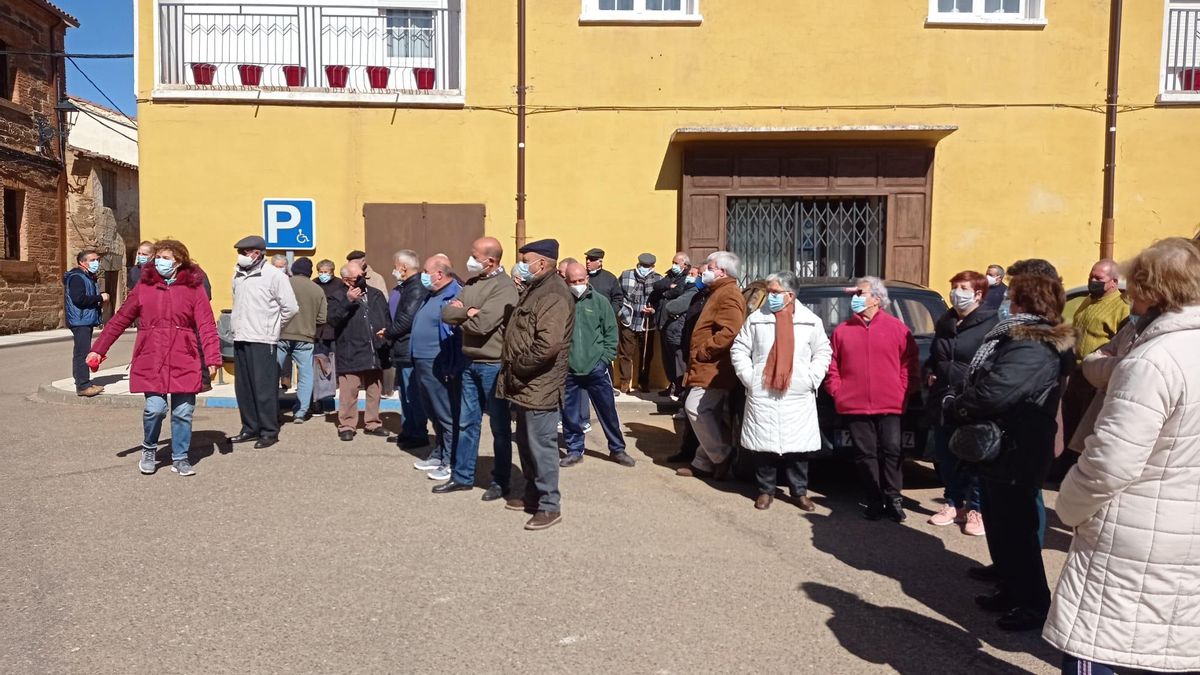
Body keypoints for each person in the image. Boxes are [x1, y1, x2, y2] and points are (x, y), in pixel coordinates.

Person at [1044, 238, 1200, 673]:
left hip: (1132, 533)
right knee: (1171, 649)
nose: (1130, 294)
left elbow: (1110, 464)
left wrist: (1069, 506)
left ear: (1153, 290)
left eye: (1135, 285)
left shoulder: (1151, 360)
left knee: (1096, 645)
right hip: (1186, 531)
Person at [944, 273, 1075, 633]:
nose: (1005, 302)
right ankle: (1010, 586)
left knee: (1017, 529)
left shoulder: (1034, 344)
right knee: (1001, 523)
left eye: (1012, 297)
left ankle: (1032, 603)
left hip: (1019, 445)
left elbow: (997, 391)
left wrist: (959, 405)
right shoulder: (1018, 336)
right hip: (1005, 444)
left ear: (1026, 303)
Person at [88, 239, 220, 477]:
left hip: (185, 357)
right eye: (157, 257)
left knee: (183, 411)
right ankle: (149, 449)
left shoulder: (194, 288)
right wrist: (99, 349)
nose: (160, 262)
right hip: (152, 356)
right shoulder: (144, 287)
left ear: (179, 262)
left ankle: (180, 457)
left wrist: (212, 357)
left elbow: (207, 325)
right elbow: (120, 319)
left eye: (166, 258)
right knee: (155, 409)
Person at [731, 271, 832, 511]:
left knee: (798, 448)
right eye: (769, 292)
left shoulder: (810, 321)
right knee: (763, 446)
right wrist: (749, 377)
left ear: (790, 294)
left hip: (797, 392)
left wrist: (812, 378)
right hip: (763, 390)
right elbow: (739, 349)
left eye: (775, 292)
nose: (770, 296)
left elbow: (823, 351)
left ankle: (799, 492)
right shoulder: (757, 319)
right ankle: (765, 490)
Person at [825, 276, 919, 522]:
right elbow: (832, 367)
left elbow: (909, 366)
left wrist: (902, 390)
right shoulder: (842, 331)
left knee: (892, 451)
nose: (855, 298)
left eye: (860, 293)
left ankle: (894, 498)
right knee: (864, 454)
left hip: (891, 403)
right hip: (854, 404)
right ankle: (873, 498)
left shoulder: (898, 329)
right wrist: (838, 390)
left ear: (876, 299)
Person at [497, 239, 574, 531]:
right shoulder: (535, 289)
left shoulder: (553, 293)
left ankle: (549, 505)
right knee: (527, 444)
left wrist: (518, 366)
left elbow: (548, 345)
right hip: (525, 383)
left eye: (525, 259)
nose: (521, 264)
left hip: (539, 382)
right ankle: (532, 494)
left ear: (541, 263)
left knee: (542, 446)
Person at [436, 237, 519, 497]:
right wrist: (468, 312)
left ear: (490, 260)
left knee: (499, 426)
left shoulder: (504, 288)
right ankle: (462, 476)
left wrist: (465, 314)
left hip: (493, 365)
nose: (470, 259)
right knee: (466, 423)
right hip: (469, 362)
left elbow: (483, 325)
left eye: (475, 255)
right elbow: (446, 313)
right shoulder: (472, 283)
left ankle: (500, 480)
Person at [925, 270, 997, 536]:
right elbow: (936, 356)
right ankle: (953, 503)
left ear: (978, 294)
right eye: (954, 286)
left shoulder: (990, 324)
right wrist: (930, 371)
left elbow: (993, 362)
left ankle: (976, 508)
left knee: (974, 456)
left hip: (973, 401)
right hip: (943, 399)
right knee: (946, 455)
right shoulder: (945, 322)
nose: (956, 292)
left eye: (963, 287)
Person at [1052, 259, 1129, 484]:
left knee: (1088, 427)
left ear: (1113, 282)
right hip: (1075, 371)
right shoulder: (1087, 301)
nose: (1092, 281)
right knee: (1068, 421)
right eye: (1091, 277)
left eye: (1099, 279)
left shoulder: (1120, 307)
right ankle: (1061, 470)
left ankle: (1082, 473)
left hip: (1096, 377)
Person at [677, 252, 747, 480]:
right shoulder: (718, 291)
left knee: (696, 407)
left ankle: (721, 455)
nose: (706, 269)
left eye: (711, 266)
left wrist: (705, 350)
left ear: (722, 272)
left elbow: (731, 330)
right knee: (709, 412)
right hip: (708, 365)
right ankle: (703, 462)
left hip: (714, 367)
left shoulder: (728, 294)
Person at [226, 235, 298, 449]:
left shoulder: (274, 276)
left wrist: (273, 327)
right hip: (241, 337)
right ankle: (249, 427)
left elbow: (291, 308)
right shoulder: (237, 275)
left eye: (243, 252)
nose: (240, 256)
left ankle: (268, 430)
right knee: (244, 388)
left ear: (256, 253)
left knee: (264, 388)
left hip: (263, 339)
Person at [560, 261, 633, 469]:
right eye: (573, 281)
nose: (577, 284)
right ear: (566, 282)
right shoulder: (561, 303)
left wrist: (603, 360)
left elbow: (611, 333)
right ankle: (574, 450)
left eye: (581, 280)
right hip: (570, 370)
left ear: (587, 279)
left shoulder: (600, 302)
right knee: (570, 414)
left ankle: (617, 449)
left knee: (608, 411)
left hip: (596, 369)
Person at [408, 256, 464, 482]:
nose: (422, 275)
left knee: (445, 413)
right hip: (423, 363)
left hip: (439, 363)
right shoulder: (432, 294)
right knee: (433, 412)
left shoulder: (455, 294)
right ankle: (439, 452)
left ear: (439, 274)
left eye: (425, 271)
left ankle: (450, 461)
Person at [326, 261, 390, 441]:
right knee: (349, 390)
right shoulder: (337, 296)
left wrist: (387, 334)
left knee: (374, 389)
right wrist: (348, 301)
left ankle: (373, 423)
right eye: (357, 278)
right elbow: (332, 320)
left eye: (363, 275)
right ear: (346, 280)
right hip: (350, 350)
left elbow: (385, 317)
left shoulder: (376, 294)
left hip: (374, 348)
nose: (363, 279)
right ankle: (347, 424)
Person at [382, 250, 430, 449]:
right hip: (402, 348)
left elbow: (406, 319)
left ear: (403, 267)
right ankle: (409, 430)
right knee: (405, 393)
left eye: (395, 266)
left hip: (409, 346)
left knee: (413, 394)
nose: (394, 270)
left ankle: (417, 433)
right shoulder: (406, 287)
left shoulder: (415, 288)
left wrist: (388, 332)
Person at [277, 257, 327, 424]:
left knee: (273, 372)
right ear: (310, 272)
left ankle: (270, 410)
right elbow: (322, 318)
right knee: (306, 374)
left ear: (293, 269)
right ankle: (300, 412)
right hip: (305, 338)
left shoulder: (284, 284)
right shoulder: (317, 290)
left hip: (281, 335)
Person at [666, 266, 707, 463]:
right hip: (690, 354)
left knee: (696, 407)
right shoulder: (698, 294)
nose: (699, 277)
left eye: (702, 274)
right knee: (690, 405)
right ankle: (689, 452)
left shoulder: (712, 296)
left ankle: (713, 456)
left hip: (704, 361)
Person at [616, 253, 663, 393]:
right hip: (629, 319)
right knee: (625, 352)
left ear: (653, 266)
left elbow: (662, 301)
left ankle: (644, 381)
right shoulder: (626, 275)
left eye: (647, 266)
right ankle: (625, 382)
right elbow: (618, 295)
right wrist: (621, 311)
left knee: (646, 354)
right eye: (642, 265)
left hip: (647, 321)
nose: (644, 268)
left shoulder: (658, 279)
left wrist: (653, 309)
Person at [65, 249, 110, 397]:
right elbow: (79, 299)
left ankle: (82, 381)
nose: (96, 263)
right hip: (80, 320)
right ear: (82, 262)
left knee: (81, 351)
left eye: (97, 259)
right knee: (82, 353)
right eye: (92, 260)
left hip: (84, 319)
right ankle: (83, 386)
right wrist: (100, 297)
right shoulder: (77, 278)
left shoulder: (88, 277)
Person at [652, 252, 691, 397]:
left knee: (677, 357)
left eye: (676, 263)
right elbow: (657, 285)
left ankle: (680, 388)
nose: (673, 265)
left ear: (685, 264)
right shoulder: (671, 275)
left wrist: (665, 292)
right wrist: (668, 285)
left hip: (676, 325)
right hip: (664, 322)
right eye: (673, 262)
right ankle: (672, 384)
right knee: (667, 357)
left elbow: (679, 291)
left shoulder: (687, 277)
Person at [312, 259, 340, 414]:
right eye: (321, 272)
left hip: (335, 332)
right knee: (318, 367)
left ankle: (330, 398)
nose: (323, 275)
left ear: (332, 271)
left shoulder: (339, 284)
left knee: (333, 366)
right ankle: (317, 401)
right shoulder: (313, 284)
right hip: (317, 333)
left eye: (326, 272)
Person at [583, 248, 623, 321]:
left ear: (600, 262)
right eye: (587, 259)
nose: (588, 261)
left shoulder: (610, 278)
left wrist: (610, 314)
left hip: (603, 318)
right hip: (584, 318)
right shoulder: (581, 276)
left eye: (591, 259)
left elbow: (618, 299)